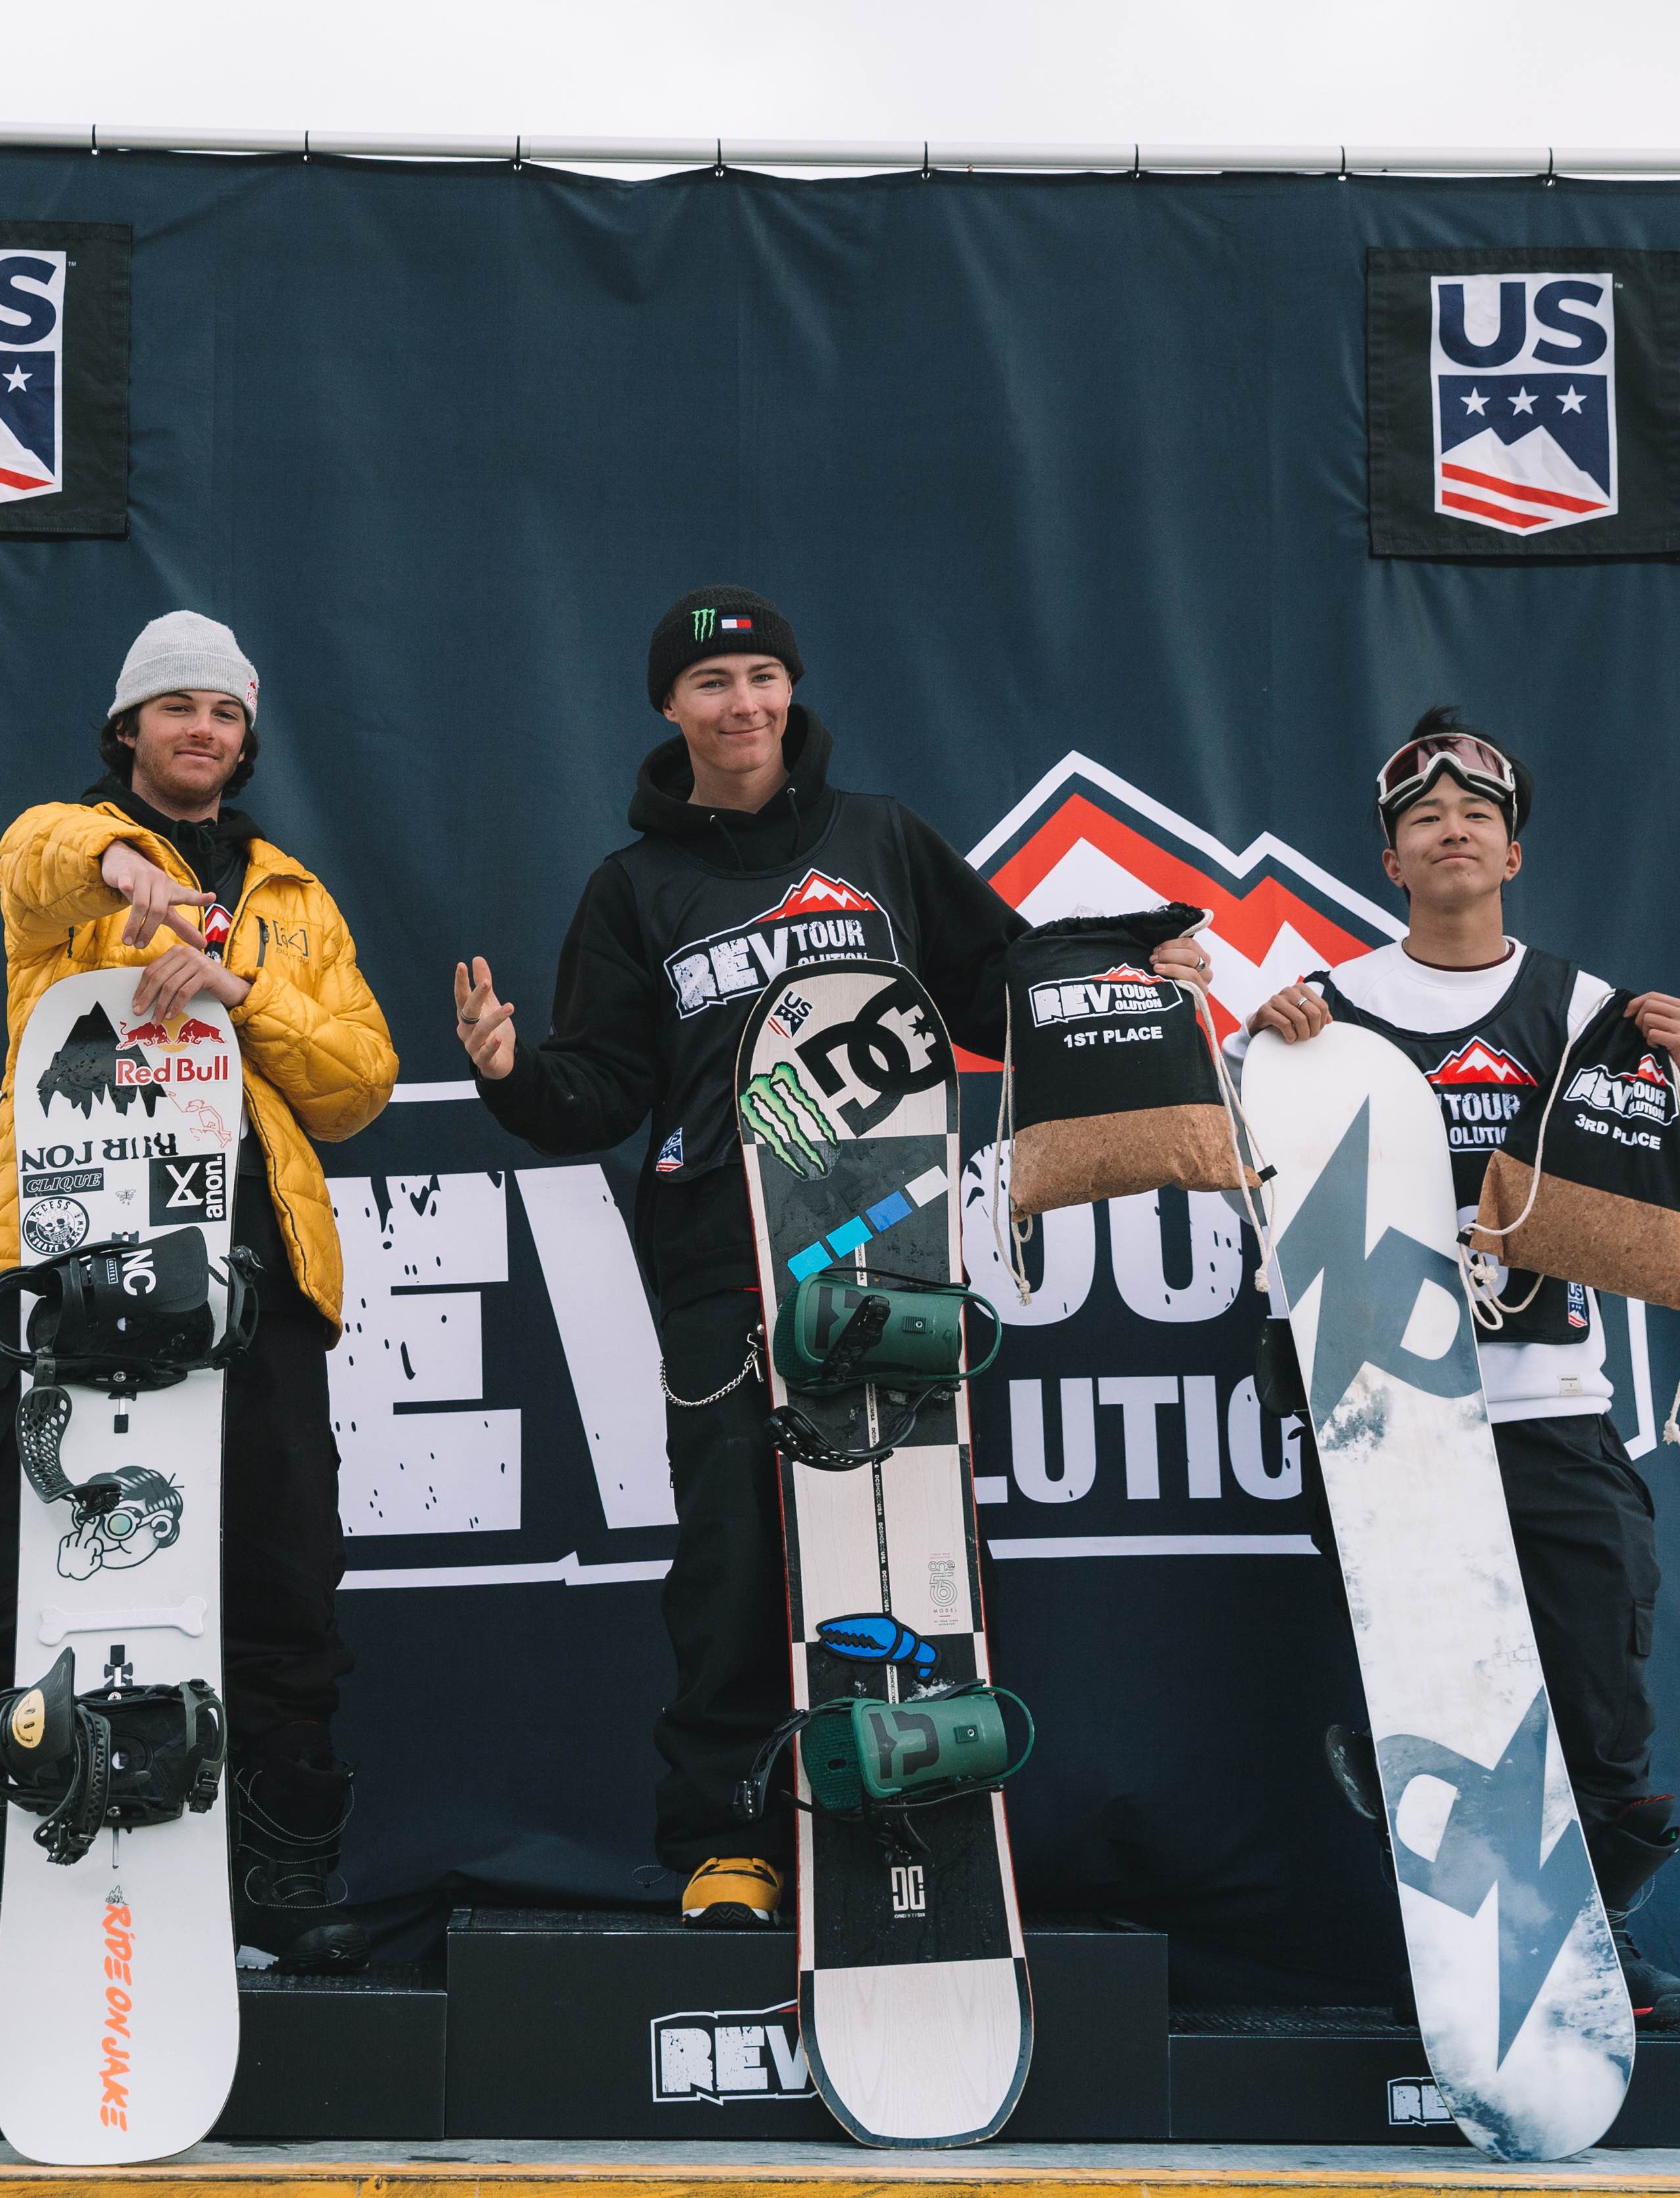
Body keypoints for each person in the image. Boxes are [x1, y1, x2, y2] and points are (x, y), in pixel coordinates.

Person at [453, 585, 1208, 1927]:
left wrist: (1128, 955)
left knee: (902, 1545)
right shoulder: (635, 887)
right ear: (667, 711)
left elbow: (997, 984)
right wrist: (514, 1077)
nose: (741, 706)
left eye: (761, 680)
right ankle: (730, 1840)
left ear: (790, 693)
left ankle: (915, 1805)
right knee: (739, 1558)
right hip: (720, 1263)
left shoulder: (878, 841)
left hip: (890, 1245)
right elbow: (602, 1090)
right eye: (711, 687)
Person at [0, 609, 399, 1978]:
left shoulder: (292, 896)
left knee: (284, 1585)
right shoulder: (63, 854)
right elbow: (33, 859)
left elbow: (355, 1085)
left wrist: (237, 991)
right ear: (128, 730)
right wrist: (125, 869)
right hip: (59, 1268)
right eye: (175, 710)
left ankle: (275, 1885)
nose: (201, 731)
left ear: (246, 737)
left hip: (251, 1278)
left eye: (223, 712)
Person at [1245, 706, 1680, 2028]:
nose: (1450, 832)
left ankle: (1596, 1931)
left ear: (1512, 852)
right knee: (1428, 1687)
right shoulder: (1323, 1010)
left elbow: (1672, 1218)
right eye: (1420, 820)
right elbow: (1257, 1209)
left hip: (1549, 1395)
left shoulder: (1586, 1009)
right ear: (1389, 861)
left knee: (1596, 1681)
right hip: (1390, 1406)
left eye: (1475, 818)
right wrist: (1257, 1063)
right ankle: (1448, 1939)